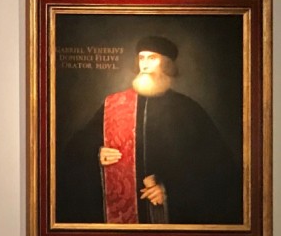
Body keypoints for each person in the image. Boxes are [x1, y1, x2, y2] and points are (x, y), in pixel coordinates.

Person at [56, 36, 241, 225]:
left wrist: (170, 190)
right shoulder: (115, 104)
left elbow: (216, 166)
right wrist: (96, 153)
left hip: (172, 217)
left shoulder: (187, 108)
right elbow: (75, 148)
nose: (144, 64)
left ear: (166, 64)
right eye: (141, 58)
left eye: (152, 58)